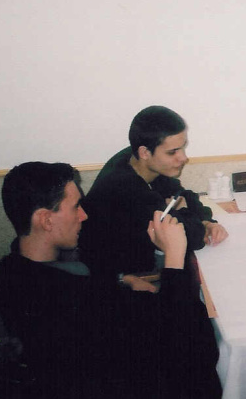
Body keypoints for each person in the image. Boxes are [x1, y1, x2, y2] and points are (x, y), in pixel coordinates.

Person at [0, 161, 222, 399]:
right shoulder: (75, 298)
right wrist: (174, 256)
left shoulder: (11, 268)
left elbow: (78, 286)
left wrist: (119, 280)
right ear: (46, 219)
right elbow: (178, 333)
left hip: (74, 384)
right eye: (75, 207)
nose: (84, 215)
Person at [79, 106, 228, 290]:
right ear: (145, 153)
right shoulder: (127, 189)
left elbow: (183, 194)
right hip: (118, 279)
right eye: (172, 152)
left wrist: (206, 221)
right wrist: (192, 218)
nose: (183, 158)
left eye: (182, 148)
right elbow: (192, 237)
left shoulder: (135, 158)